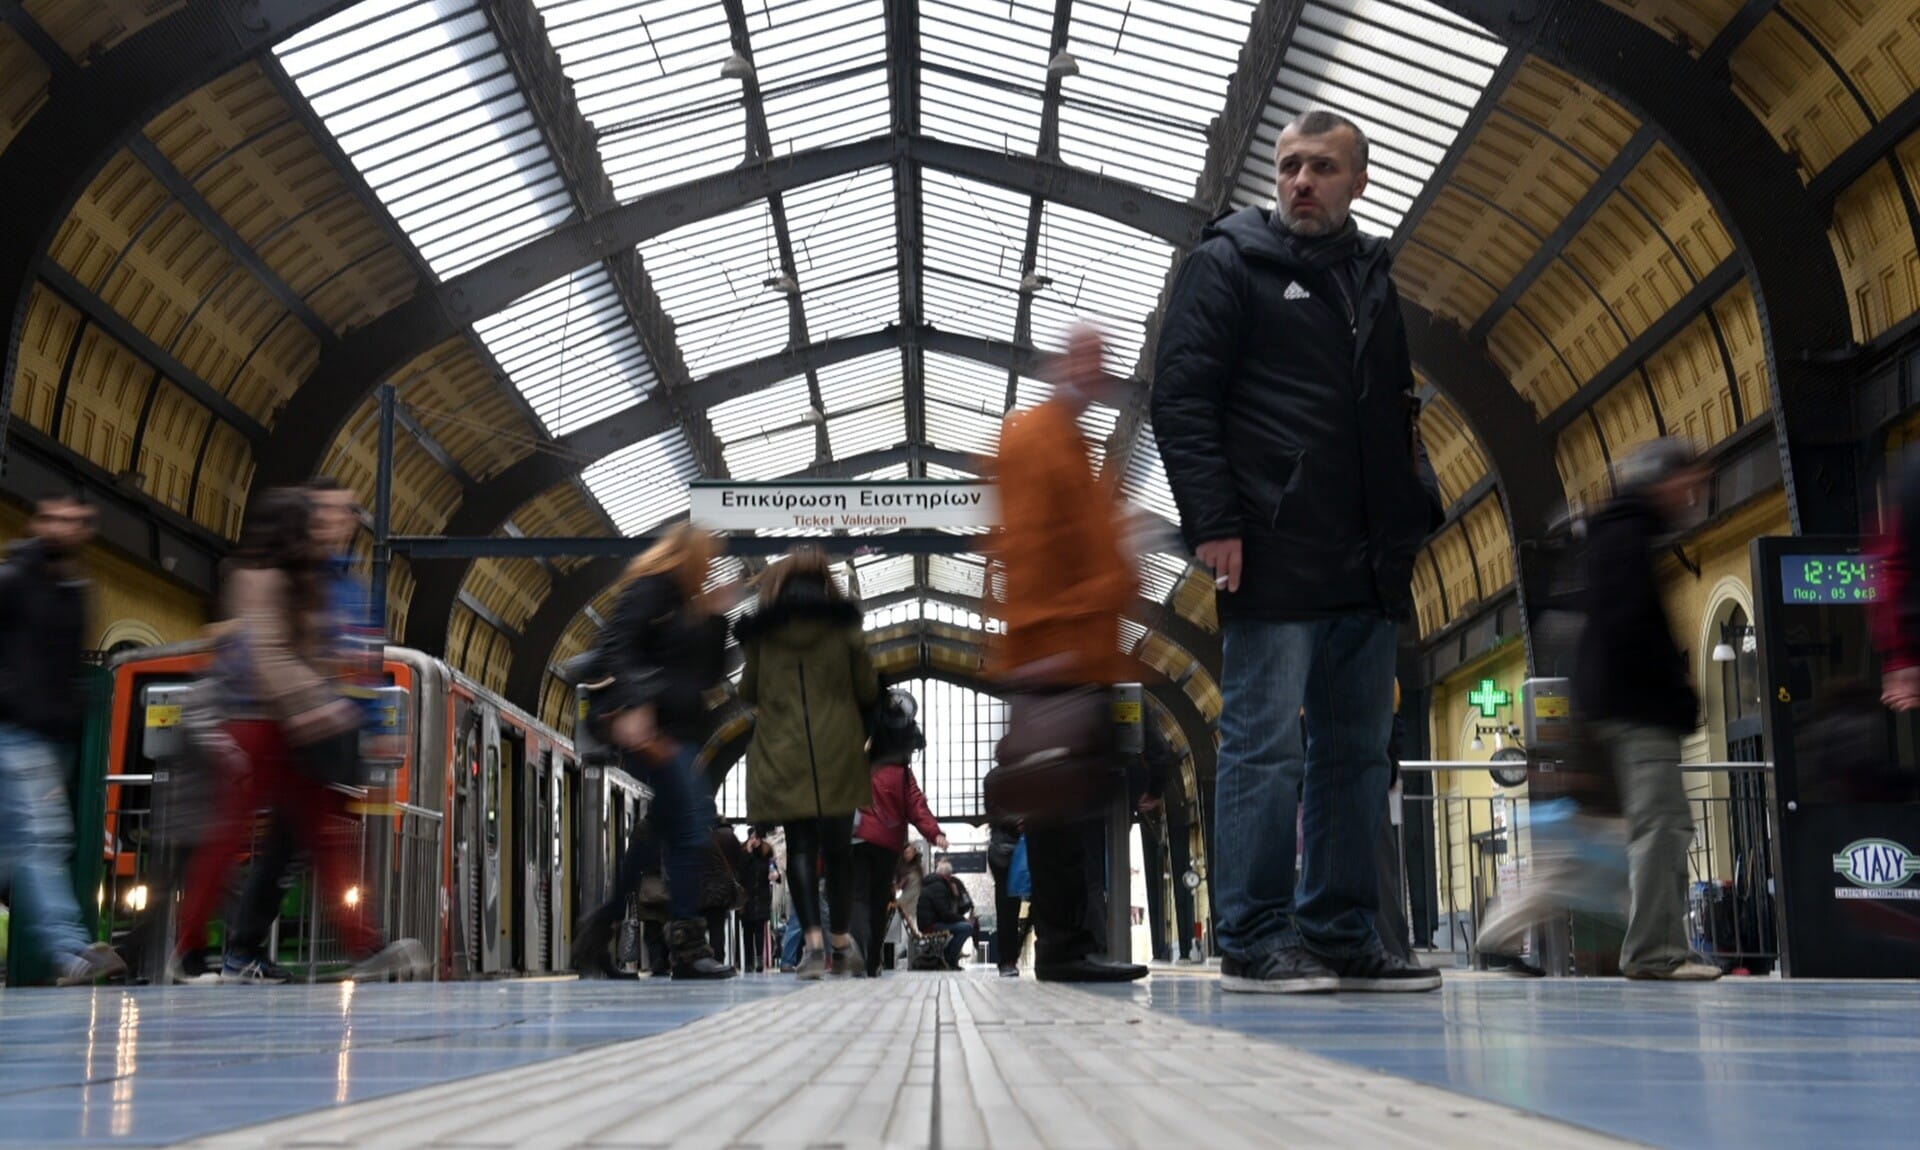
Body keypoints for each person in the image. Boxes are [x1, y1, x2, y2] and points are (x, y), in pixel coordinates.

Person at [1150, 109, 1444, 994]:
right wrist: (1214, 520)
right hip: (1273, 547)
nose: (1301, 181)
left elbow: (1394, 408)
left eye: (1321, 167)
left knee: (1357, 752)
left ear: (1359, 179)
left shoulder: (1372, 274)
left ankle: (1344, 930)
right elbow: (1182, 397)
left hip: (1368, 557)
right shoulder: (1228, 265)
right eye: (1288, 166)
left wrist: (1412, 512)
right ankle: (1253, 935)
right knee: (1265, 747)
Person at [990, 323, 1150, 984]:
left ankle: (1074, 942)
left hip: (1083, 651)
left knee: (1074, 802)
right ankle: (1065, 946)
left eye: (1102, 361)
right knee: (1058, 808)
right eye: (1086, 358)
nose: (1097, 371)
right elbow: (1027, 545)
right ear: (1060, 365)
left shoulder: (1079, 446)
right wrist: (1044, 636)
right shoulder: (1034, 438)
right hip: (1055, 650)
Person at [216, 489, 427, 982]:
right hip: (294, 729)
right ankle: (359, 944)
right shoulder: (294, 574)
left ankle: (245, 951)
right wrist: (312, 704)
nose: (338, 519)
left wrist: (369, 726)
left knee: (291, 844)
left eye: (347, 511)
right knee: (309, 841)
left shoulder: (353, 589)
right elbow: (268, 652)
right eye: (328, 509)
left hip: (327, 733)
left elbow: (363, 665)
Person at [1572, 438, 1721, 981]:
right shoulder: (1628, 537)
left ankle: (1655, 945)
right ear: (1665, 480)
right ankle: (1656, 952)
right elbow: (1633, 626)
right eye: (1691, 483)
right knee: (1662, 825)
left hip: (1618, 703)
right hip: (1638, 707)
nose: (1695, 495)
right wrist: (1676, 685)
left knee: (1648, 826)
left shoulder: (1618, 531)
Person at [569, 524, 736, 980]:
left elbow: (707, 676)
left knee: (656, 835)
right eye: (707, 559)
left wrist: (716, 617)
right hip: (651, 727)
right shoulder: (650, 588)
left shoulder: (688, 604)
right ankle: (688, 947)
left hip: (679, 730)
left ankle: (597, 934)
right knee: (689, 829)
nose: (710, 568)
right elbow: (616, 649)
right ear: (690, 555)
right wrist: (635, 705)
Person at [0, 494, 127, 986]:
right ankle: (68, 949)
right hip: (16, 729)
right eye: (52, 518)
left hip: (51, 735)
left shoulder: (77, 590)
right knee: (43, 838)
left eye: (72, 521)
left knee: (16, 849)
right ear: (37, 523)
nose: (61, 528)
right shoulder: (13, 579)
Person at [736, 547, 880, 979]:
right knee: (838, 853)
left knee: (800, 848)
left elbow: (748, 691)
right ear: (824, 586)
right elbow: (868, 688)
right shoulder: (845, 629)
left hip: (784, 751)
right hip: (837, 751)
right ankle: (841, 945)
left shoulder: (764, 635)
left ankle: (813, 949)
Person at [851, 689, 947, 976]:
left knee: (858, 897)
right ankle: (872, 961)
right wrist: (934, 833)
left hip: (857, 839)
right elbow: (917, 805)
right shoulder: (903, 774)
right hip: (887, 845)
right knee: (879, 899)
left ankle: (858, 950)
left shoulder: (858, 765)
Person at [985, 819, 1028, 976]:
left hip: (1004, 847)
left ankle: (1008, 959)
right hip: (1011, 847)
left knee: (1007, 907)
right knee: (1010, 907)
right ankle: (1010, 958)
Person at [917, 861, 975, 969]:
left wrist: (955, 896)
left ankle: (949, 956)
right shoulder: (939, 887)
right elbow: (945, 914)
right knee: (967, 928)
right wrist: (963, 919)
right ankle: (950, 958)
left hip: (930, 922)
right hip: (932, 925)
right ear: (948, 875)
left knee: (964, 926)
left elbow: (945, 912)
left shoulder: (933, 884)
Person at [736, 827, 777, 973]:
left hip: (762, 899)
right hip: (747, 901)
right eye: (751, 838)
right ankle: (748, 962)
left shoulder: (767, 854)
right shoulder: (743, 854)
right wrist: (747, 854)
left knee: (760, 930)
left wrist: (775, 875)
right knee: (747, 931)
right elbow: (739, 873)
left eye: (756, 837)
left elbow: (774, 873)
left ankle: (759, 960)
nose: (754, 841)